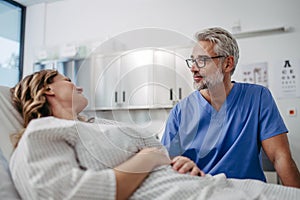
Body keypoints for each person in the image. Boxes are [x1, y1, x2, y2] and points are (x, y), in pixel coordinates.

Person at [9, 70, 300, 200]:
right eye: (68, 81)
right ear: (48, 89)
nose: (79, 87)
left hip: (208, 185)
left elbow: (160, 151)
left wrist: (179, 163)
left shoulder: (99, 126)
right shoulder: (42, 132)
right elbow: (71, 195)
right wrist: (147, 159)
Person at [161, 27, 300, 188]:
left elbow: (280, 157)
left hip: (249, 192)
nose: (193, 68)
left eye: (202, 60)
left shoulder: (258, 98)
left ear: (228, 64)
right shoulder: (180, 111)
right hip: (202, 192)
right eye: (193, 60)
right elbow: (166, 166)